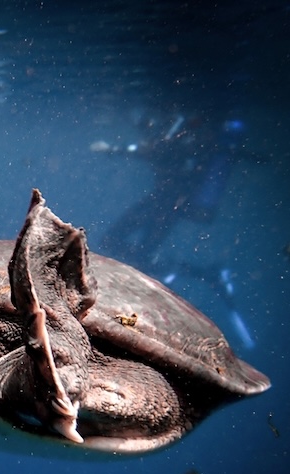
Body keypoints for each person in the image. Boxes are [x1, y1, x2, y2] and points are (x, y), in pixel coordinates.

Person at [92, 113, 260, 349]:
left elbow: (156, 151)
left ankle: (199, 273)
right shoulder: (182, 138)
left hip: (168, 206)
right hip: (163, 203)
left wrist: (114, 148)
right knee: (122, 247)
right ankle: (191, 271)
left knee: (133, 254)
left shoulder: (179, 137)